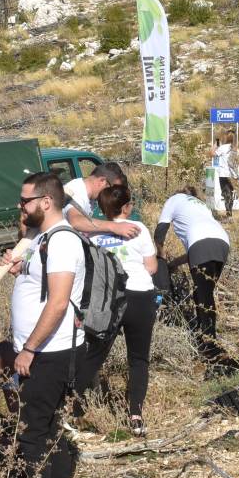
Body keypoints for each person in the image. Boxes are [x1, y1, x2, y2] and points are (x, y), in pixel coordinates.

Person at [2, 171, 92, 478]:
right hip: (44, 351)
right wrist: (21, 268)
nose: (20, 207)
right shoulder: (42, 238)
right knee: (49, 433)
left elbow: (57, 304)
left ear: (46, 202)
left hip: (51, 354)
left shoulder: (63, 242)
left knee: (34, 434)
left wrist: (29, 349)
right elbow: (41, 285)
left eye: (25, 201)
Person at [85, 181, 158, 436]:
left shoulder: (94, 233)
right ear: (126, 207)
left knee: (94, 354)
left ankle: (74, 405)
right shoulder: (138, 229)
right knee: (138, 358)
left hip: (110, 301)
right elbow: (152, 267)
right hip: (139, 295)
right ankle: (136, 414)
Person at [154, 184, 232, 367]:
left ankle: (210, 345)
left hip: (201, 243)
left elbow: (159, 233)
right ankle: (207, 337)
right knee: (205, 292)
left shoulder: (173, 200)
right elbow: (198, 248)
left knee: (203, 296)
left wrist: (161, 256)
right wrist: (174, 264)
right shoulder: (199, 204)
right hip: (222, 241)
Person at [61, 161, 140, 240]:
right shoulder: (76, 191)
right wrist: (115, 226)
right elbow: (76, 221)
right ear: (102, 181)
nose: (112, 195)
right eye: (111, 190)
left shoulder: (88, 194)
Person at [211, 131, 239, 216]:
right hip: (233, 174)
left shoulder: (223, 148)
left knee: (226, 194)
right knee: (230, 193)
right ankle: (229, 212)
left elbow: (212, 153)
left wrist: (217, 143)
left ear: (226, 138)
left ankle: (228, 213)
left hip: (223, 174)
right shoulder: (236, 149)